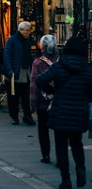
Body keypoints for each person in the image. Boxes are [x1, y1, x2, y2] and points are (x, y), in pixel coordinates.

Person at [36, 35, 92, 189]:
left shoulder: (58, 67)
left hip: (60, 110)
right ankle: (80, 169)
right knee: (76, 143)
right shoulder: (87, 70)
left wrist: (53, 90)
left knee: (61, 146)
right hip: (79, 111)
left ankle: (66, 179)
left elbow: (40, 80)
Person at [30, 34, 59, 165]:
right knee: (59, 132)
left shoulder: (38, 62)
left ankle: (45, 155)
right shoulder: (61, 61)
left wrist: (32, 104)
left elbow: (34, 85)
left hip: (43, 101)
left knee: (43, 129)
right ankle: (60, 157)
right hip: (58, 101)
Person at [4, 21, 37, 126]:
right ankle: (14, 116)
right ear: (20, 30)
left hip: (26, 71)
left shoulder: (29, 41)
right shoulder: (12, 40)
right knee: (13, 96)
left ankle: (27, 116)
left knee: (27, 96)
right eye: (27, 30)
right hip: (15, 72)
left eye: (29, 30)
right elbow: (7, 55)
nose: (28, 32)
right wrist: (9, 70)